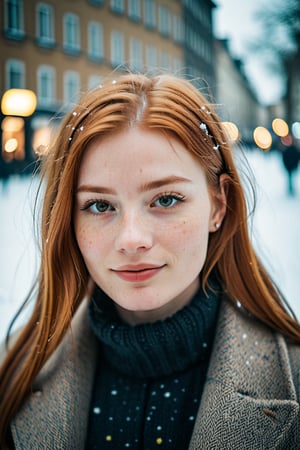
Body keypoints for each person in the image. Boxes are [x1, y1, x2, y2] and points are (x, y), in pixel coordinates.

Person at [0, 73, 300, 450]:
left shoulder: (294, 380)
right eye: (100, 205)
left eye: (166, 199)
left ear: (218, 205)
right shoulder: (13, 374)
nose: (132, 239)